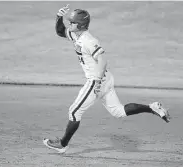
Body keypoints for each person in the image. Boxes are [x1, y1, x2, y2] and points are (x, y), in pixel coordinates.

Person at [43, 5, 170, 153]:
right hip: (106, 79)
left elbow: (102, 61)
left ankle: (63, 144)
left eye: (72, 22)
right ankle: (151, 107)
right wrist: (59, 16)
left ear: (81, 25)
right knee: (118, 111)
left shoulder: (89, 41)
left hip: (96, 80)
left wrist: (96, 82)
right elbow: (60, 31)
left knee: (74, 112)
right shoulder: (76, 34)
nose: (69, 24)